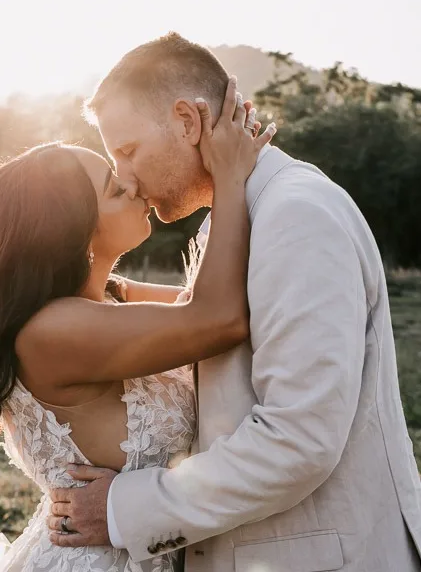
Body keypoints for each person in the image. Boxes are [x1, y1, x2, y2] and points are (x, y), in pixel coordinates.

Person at [49, 32, 421, 572]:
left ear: (187, 121)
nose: (124, 177)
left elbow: (300, 438)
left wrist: (126, 509)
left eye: (128, 151)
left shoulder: (296, 215)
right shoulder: (235, 222)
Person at [0, 77, 273, 571]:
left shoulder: (111, 297)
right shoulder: (52, 332)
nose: (134, 185)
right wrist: (227, 178)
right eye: (116, 189)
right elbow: (219, 319)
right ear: (76, 229)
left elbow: (214, 301)